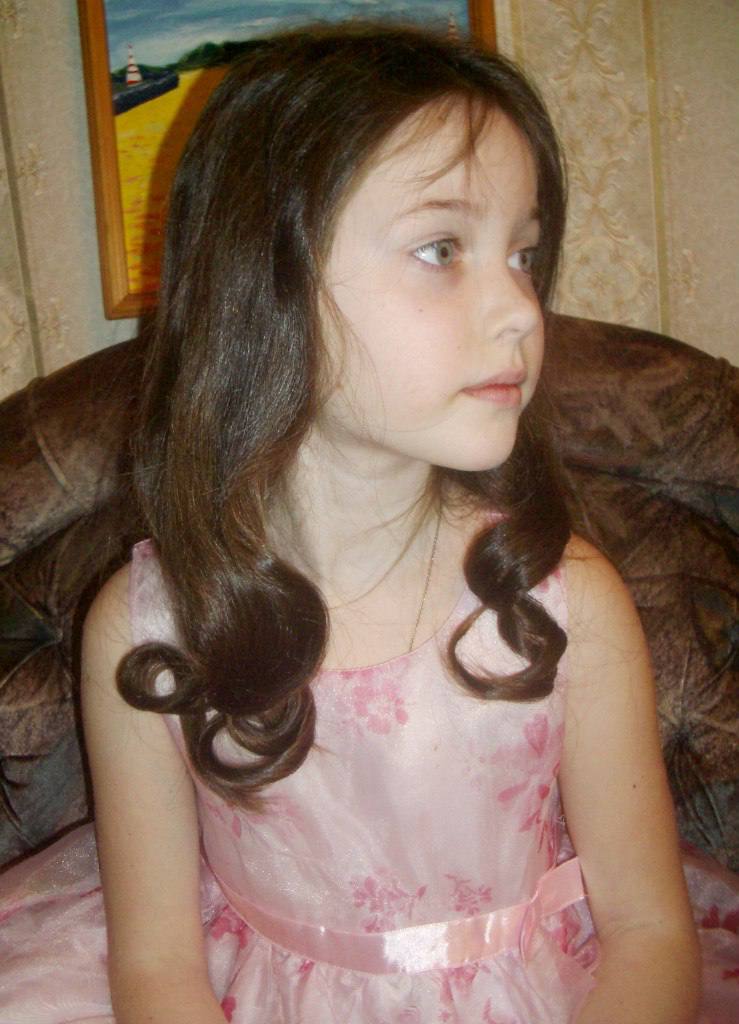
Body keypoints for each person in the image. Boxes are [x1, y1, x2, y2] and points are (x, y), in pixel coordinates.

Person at [0, 21, 736, 1024]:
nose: (523, 310)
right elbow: (158, 966)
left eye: (522, 254)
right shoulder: (146, 630)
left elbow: (649, 932)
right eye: (440, 249)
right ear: (265, 286)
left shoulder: (568, 604)